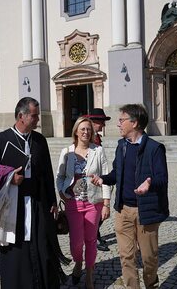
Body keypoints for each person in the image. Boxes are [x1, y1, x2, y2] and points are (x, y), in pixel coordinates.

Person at [0, 97, 66, 289]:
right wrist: (10, 178)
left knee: (42, 246)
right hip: (13, 204)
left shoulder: (39, 140)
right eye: (34, 116)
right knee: (16, 250)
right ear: (21, 116)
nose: (38, 120)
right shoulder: (0, 140)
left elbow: (46, 171)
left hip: (38, 203)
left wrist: (52, 200)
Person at [91, 104, 169, 289]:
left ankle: (151, 284)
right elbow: (116, 173)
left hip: (146, 212)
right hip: (123, 210)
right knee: (127, 257)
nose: (118, 124)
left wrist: (149, 183)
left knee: (149, 258)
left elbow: (162, 179)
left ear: (134, 123)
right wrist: (102, 179)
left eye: (121, 120)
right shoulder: (121, 146)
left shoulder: (155, 148)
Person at [56, 116, 111, 289]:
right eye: (83, 129)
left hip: (94, 202)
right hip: (73, 203)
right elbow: (60, 176)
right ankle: (78, 262)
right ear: (76, 132)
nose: (86, 132)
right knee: (76, 242)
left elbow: (107, 178)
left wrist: (107, 204)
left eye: (88, 129)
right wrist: (62, 193)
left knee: (91, 240)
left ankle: (89, 274)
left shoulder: (98, 151)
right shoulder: (67, 151)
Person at [83, 108, 111, 252]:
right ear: (93, 122)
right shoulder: (87, 137)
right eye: (101, 122)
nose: (103, 126)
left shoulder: (96, 137)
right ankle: (93, 236)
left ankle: (93, 234)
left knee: (98, 210)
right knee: (95, 210)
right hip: (91, 181)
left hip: (98, 179)